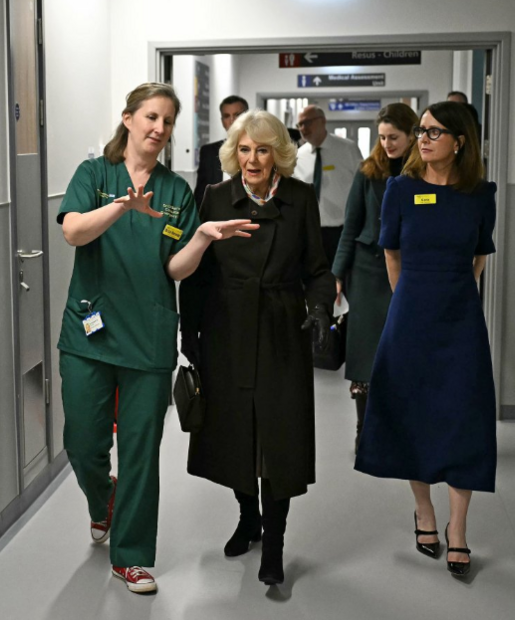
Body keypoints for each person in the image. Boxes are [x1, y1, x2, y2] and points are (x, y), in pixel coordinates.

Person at [57, 83, 257, 595]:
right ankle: (104, 499)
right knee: (83, 442)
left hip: (148, 337)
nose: (158, 129)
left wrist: (202, 238)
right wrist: (123, 206)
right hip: (90, 332)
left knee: (142, 450)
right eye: (150, 117)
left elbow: (176, 269)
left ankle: (132, 556)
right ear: (128, 119)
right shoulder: (93, 175)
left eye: (167, 122)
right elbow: (74, 231)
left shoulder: (175, 191)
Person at [180, 110, 336, 587]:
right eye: (244, 149)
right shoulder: (214, 198)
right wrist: (191, 337)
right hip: (226, 330)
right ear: (234, 153)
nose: (252, 159)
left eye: (262, 150)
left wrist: (319, 308)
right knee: (234, 434)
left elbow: (318, 269)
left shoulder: (300, 198)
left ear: (278, 157)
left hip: (280, 330)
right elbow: (198, 275)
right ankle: (248, 517)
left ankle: (275, 541)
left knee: (278, 439)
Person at [354, 101, 497, 579]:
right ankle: (425, 513)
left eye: (435, 132)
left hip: (460, 320)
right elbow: (391, 255)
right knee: (413, 413)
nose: (423, 139)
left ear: (460, 141)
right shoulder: (400, 189)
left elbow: (479, 258)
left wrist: (456, 296)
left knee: (463, 416)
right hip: (409, 315)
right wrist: (408, 302)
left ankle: (458, 528)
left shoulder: (480, 195)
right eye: (421, 131)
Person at [331, 103, 419, 453]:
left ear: (412, 135)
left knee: (403, 352)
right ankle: (363, 430)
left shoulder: (424, 174)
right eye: (382, 137)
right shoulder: (367, 173)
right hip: (368, 273)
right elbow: (350, 225)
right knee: (365, 353)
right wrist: (338, 273)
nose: (387, 144)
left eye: (393, 137)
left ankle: (400, 429)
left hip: (410, 271)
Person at [292, 105, 363, 271]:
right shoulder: (298, 156)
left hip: (343, 231)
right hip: (311, 233)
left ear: (322, 121)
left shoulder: (347, 148)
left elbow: (362, 186)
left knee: (343, 280)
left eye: (307, 122)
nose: (303, 128)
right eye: (299, 125)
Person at [193, 95, 248, 206]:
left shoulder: (263, 150)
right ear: (222, 121)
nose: (232, 120)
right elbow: (200, 193)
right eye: (227, 116)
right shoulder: (208, 152)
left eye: (237, 115)